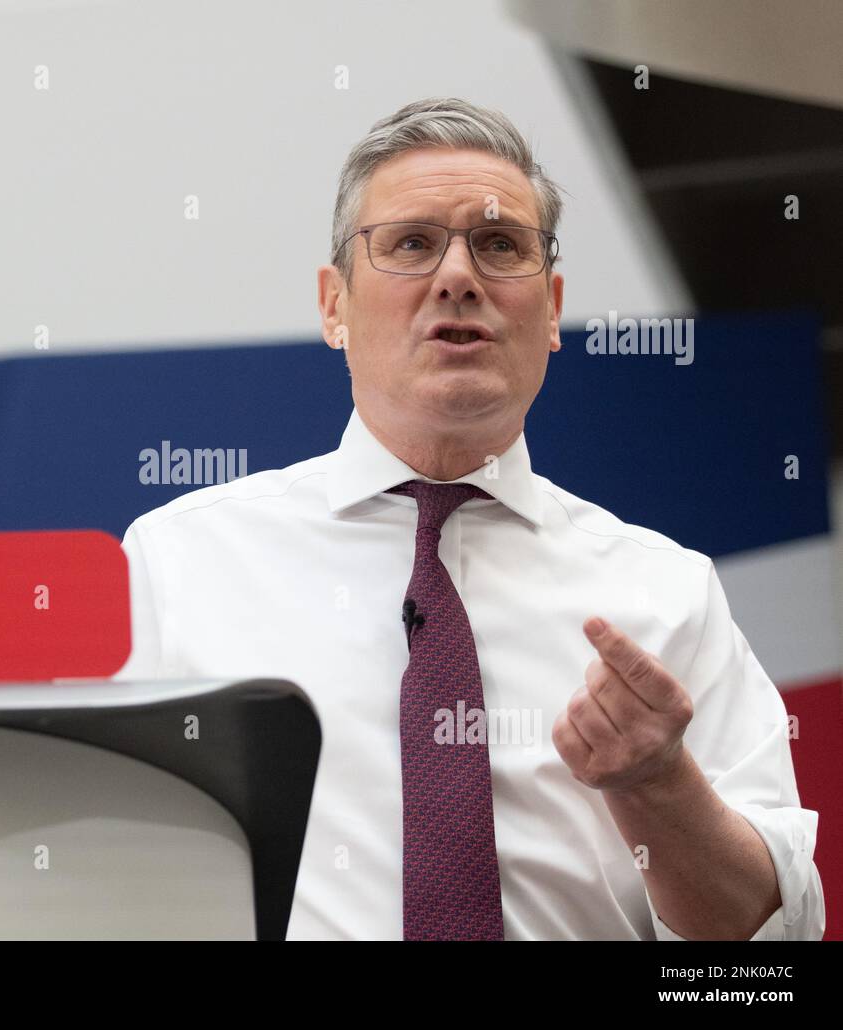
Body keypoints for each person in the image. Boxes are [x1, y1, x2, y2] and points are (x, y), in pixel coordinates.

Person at [113, 97, 825, 940]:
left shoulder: (667, 592)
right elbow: (103, 877)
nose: (458, 276)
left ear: (552, 308)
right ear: (333, 304)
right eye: (412, 243)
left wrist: (658, 784)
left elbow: (766, 949)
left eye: (499, 245)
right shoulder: (179, 563)